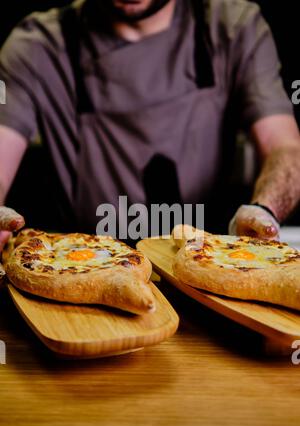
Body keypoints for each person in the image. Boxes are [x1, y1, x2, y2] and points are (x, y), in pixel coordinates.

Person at [0, 0, 300, 251]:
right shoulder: (37, 46)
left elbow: (285, 146)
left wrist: (265, 210)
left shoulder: (232, 28)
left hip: (212, 269)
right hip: (84, 269)